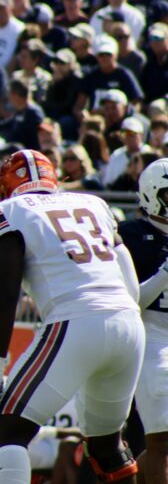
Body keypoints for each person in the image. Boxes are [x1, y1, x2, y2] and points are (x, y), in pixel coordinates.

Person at [0, 150, 146, 484]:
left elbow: (4, 293)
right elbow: (129, 279)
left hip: (75, 320)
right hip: (128, 323)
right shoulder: (94, 204)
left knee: (8, 433)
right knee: (108, 447)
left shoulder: (8, 211)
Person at [121, 159, 168, 484]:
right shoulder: (132, 236)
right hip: (154, 336)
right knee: (162, 441)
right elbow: (128, 302)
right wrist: (165, 274)